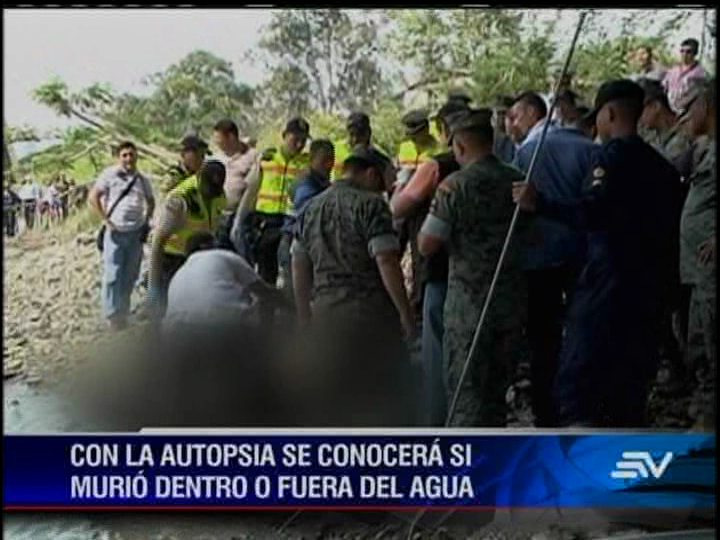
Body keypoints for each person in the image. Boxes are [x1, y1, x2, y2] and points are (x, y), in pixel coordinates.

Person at [513, 79, 681, 427]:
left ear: (610, 113)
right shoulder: (664, 169)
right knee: (629, 390)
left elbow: (592, 212)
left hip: (608, 284)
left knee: (576, 387)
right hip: (651, 290)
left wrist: (539, 202)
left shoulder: (611, 157)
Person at [418, 109, 530, 427]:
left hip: (468, 309)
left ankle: (465, 470)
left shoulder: (454, 186)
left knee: (466, 399)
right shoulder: (517, 180)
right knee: (496, 399)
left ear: (460, 147)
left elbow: (428, 244)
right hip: (510, 304)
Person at [291, 146, 416, 426]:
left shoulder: (311, 207)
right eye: (384, 181)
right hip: (369, 316)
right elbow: (386, 260)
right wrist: (406, 314)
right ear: (371, 174)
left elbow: (299, 263)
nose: (384, 189)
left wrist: (303, 316)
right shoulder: (371, 205)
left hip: (325, 315)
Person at [511, 91, 596, 428]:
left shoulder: (527, 152)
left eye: (516, 116)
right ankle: (581, 405)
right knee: (581, 332)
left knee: (543, 341)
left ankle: (547, 412)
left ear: (534, 113)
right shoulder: (590, 149)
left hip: (539, 261)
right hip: (581, 256)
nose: (512, 124)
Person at [390, 99, 468, 425]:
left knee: (436, 347)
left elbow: (398, 207)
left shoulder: (437, 165)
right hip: (486, 274)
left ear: (445, 130)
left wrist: (401, 187)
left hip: (439, 268)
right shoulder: (503, 167)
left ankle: (439, 424)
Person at [235, 117, 310, 290]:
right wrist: (241, 218)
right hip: (266, 220)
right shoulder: (267, 157)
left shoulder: (307, 163)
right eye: (295, 139)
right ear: (284, 136)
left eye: (303, 141)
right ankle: (265, 310)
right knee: (265, 267)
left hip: (291, 220)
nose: (299, 145)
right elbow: (252, 189)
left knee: (288, 262)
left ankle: (288, 308)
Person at [147, 160, 227, 319]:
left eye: (215, 190)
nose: (211, 193)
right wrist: (153, 287)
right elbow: (158, 241)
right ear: (199, 178)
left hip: (199, 260)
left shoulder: (218, 194)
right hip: (172, 259)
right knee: (165, 313)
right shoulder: (180, 199)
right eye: (208, 189)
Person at [89, 141, 155, 330]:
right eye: (124, 155)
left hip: (135, 233)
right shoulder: (109, 175)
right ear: (119, 157)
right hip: (115, 232)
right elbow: (93, 197)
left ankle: (123, 312)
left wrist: (147, 220)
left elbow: (151, 200)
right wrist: (106, 220)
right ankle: (112, 314)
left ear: (137, 156)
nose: (128, 158)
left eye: (131, 155)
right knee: (113, 274)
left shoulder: (142, 180)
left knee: (130, 274)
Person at [680, 80, 716, 428]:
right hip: (698, 272)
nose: (688, 114)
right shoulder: (706, 148)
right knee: (700, 348)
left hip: (711, 274)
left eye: (693, 106)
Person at [331, 112, 394, 187]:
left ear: (368, 133)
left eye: (360, 134)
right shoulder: (335, 150)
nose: (355, 139)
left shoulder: (380, 158)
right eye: (352, 134)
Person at [289, 139, 334, 236]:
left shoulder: (322, 182)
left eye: (331, 160)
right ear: (312, 159)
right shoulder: (305, 184)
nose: (329, 165)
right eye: (324, 160)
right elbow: (310, 218)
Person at [213, 118, 258, 208]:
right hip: (218, 215)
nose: (216, 142)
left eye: (219, 138)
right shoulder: (215, 159)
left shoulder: (253, 156)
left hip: (244, 215)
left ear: (231, 137)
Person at [663, 38, 707, 114]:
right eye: (682, 51)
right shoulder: (673, 70)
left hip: (688, 113)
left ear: (695, 53)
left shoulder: (700, 73)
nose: (684, 54)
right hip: (668, 111)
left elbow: (699, 93)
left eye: (688, 52)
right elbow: (664, 87)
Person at [492, 95, 516, 164]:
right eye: (498, 113)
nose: (501, 117)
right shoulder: (489, 137)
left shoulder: (518, 137)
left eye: (504, 113)